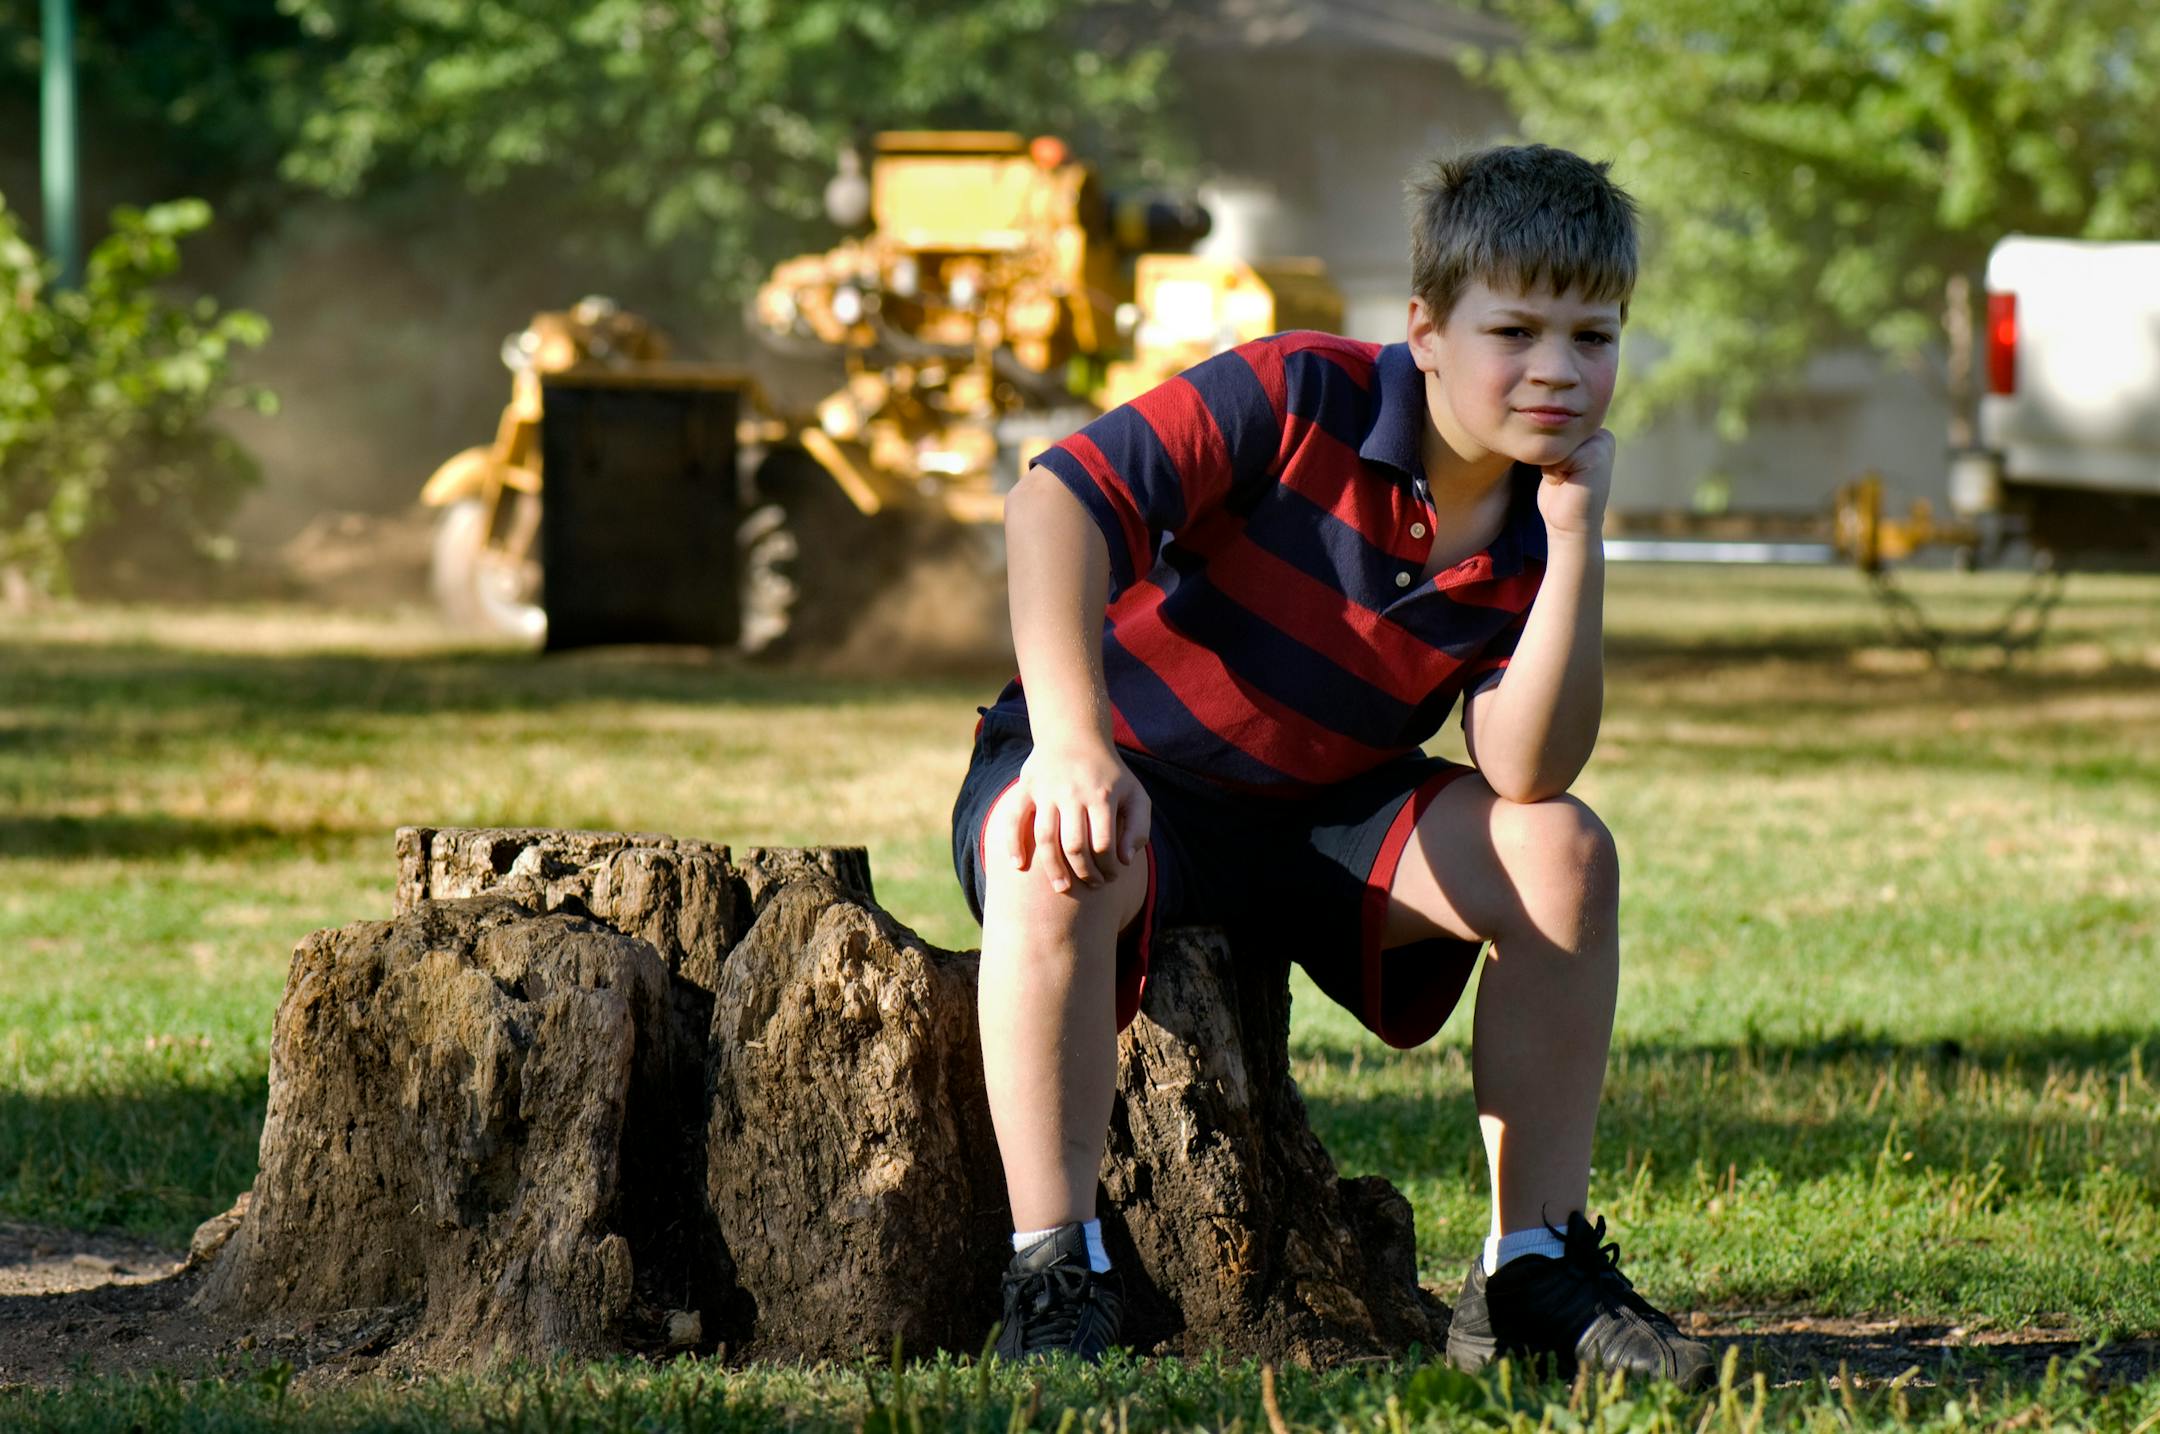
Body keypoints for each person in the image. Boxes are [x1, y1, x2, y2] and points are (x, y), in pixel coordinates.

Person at [948, 143, 1715, 1389]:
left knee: (1564, 850)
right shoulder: (1296, 389)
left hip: (1319, 813)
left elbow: (1522, 767)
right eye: (1514, 330)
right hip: (1122, 765)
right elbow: (1053, 505)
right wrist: (1073, 744)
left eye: (1596, 335)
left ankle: (1530, 1264)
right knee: (1052, 854)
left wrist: (1575, 540)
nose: (1561, 371)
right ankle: (1058, 1266)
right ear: (1424, 326)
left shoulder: (1536, 512)